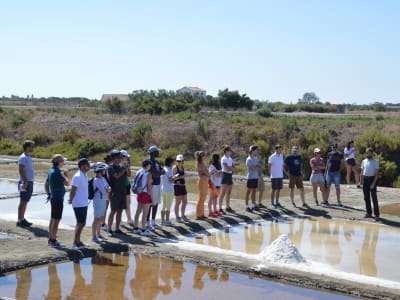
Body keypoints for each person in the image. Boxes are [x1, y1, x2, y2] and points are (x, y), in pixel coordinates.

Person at [47, 154, 69, 247]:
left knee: (53, 218)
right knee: (56, 220)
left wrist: (48, 194)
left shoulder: (51, 171)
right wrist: (66, 175)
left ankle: (51, 238)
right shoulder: (57, 173)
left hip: (53, 197)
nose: (64, 163)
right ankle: (53, 240)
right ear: (59, 162)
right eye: (63, 161)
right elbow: (67, 183)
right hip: (58, 198)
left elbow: (46, 184)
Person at [68, 158, 90, 249]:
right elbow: (73, 190)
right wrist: (70, 199)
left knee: (82, 222)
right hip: (78, 203)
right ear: (81, 166)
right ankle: (75, 243)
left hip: (84, 203)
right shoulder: (77, 176)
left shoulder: (85, 175)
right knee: (80, 223)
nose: (88, 166)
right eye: (87, 165)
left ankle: (78, 241)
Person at [107, 150, 128, 235]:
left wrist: (127, 167)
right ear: (113, 158)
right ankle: (109, 229)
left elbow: (128, 175)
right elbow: (116, 176)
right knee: (113, 211)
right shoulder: (110, 168)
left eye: (120, 157)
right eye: (118, 157)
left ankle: (117, 228)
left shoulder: (121, 166)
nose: (120, 159)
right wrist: (125, 168)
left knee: (120, 211)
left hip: (122, 192)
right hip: (114, 193)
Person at [17, 140, 35, 227]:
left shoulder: (28, 157)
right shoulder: (23, 157)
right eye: (32, 146)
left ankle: (22, 219)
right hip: (25, 182)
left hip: (29, 182)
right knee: (23, 201)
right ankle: (20, 220)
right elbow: (21, 170)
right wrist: (25, 181)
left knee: (25, 201)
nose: (33, 148)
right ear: (28, 147)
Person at [132, 159, 153, 236]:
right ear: (148, 165)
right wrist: (150, 195)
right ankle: (143, 229)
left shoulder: (139, 171)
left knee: (138, 211)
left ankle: (135, 228)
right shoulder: (148, 174)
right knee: (145, 212)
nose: (150, 166)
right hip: (145, 193)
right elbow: (149, 186)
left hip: (139, 192)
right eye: (150, 165)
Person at [92, 162, 110, 242]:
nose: (105, 171)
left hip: (103, 199)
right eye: (104, 169)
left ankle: (99, 234)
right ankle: (94, 236)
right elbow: (104, 190)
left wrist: (107, 189)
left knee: (100, 218)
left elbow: (108, 188)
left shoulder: (103, 179)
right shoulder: (96, 180)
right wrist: (107, 189)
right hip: (98, 200)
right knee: (97, 218)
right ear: (100, 170)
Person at [147, 145, 165, 229]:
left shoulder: (157, 162)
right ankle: (147, 222)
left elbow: (163, 171)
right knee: (150, 204)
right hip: (152, 185)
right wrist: (159, 172)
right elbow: (154, 173)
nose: (158, 152)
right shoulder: (149, 162)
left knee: (156, 203)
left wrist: (159, 172)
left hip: (158, 184)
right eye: (157, 151)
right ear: (153, 153)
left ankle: (153, 221)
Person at [360, 148, 380, 221]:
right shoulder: (363, 161)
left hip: (372, 179)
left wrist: (373, 183)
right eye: (367, 153)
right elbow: (361, 172)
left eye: (369, 153)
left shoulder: (375, 161)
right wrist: (360, 181)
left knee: (374, 198)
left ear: (372, 153)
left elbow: (377, 174)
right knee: (366, 198)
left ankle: (377, 215)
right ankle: (369, 213)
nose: (368, 154)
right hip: (365, 179)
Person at [218, 145, 235, 213]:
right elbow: (226, 169)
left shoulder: (230, 159)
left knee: (229, 192)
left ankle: (228, 207)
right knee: (223, 192)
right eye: (229, 150)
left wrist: (230, 168)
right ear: (226, 151)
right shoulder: (223, 159)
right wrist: (231, 168)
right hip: (225, 175)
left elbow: (234, 168)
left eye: (230, 151)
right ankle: (220, 208)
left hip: (230, 175)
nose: (230, 152)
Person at [173, 154, 189, 223]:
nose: (179, 162)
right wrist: (181, 177)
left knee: (185, 201)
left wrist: (184, 176)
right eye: (177, 161)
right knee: (178, 202)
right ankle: (177, 217)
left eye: (180, 161)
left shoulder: (182, 167)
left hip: (183, 186)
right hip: (177, 186)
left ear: (183, 161)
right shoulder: (175, 168)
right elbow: (173, 178)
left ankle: (183, 215)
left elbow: (183, 176)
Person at [195, 151, 210, 220]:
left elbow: (206, 173)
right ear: (202, 157)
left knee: (203, 198)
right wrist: (208, 174)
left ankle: (202, 214)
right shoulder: (200, 164)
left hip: (205, 182)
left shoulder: (202, 163)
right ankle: (198, 215)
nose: (206, 157)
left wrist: (208, 175)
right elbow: (203, 173)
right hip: (202, 182)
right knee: (201, 198)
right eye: (205, 156)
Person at [268, 144, 284, 208]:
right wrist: (271, 174)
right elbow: (269, 166)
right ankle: (272, 203)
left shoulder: (281, 156)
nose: (281, 150)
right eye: (279, 149)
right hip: (274, 176)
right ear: (276, 149)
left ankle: (277, 202)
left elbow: (282, 165)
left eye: (281, 149)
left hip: (280, 175)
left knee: (279, 189)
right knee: (273, 189)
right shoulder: (272, 157)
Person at [245, 145, 260, 212]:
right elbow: (253, 168)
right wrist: (256, 167)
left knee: (254, 191)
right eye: (256, 150)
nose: (257, 151)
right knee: (248, 192)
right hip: (250, 178)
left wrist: (256, 167)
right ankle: (246, 206)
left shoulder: (255, 158)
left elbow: (258, 167)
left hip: (255, 177)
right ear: (253, 151)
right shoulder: (249, 159)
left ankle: (253, 205)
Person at [120, 150, 133, 226]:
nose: (127, 159)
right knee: (121, 203)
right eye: (126, 157)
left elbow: (129, 175)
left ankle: (129, 219)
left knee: (128, 202)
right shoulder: (118, 165)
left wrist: (128, 168)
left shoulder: (126, 164)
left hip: (127, 184)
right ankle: (120, 219)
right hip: (121, 186)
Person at [161, 157, 174, 225]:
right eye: (172, 162)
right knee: (168, 205)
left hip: (163, 189)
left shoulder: (163, 169)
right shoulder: (169, 170)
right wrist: (175, 178)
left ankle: (162, 220)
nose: (173, 164)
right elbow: (170, 180)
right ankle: (167, 220)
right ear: (170, 163)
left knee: (164, 205)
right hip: (169, 189)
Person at [100, 154, 112, 230]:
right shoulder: (107, 168)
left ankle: (102, 223)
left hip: (104, 190)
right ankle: (103, 224)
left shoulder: (103, 167)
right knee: (105, 208)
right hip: (106, 190)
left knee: (104, 207)